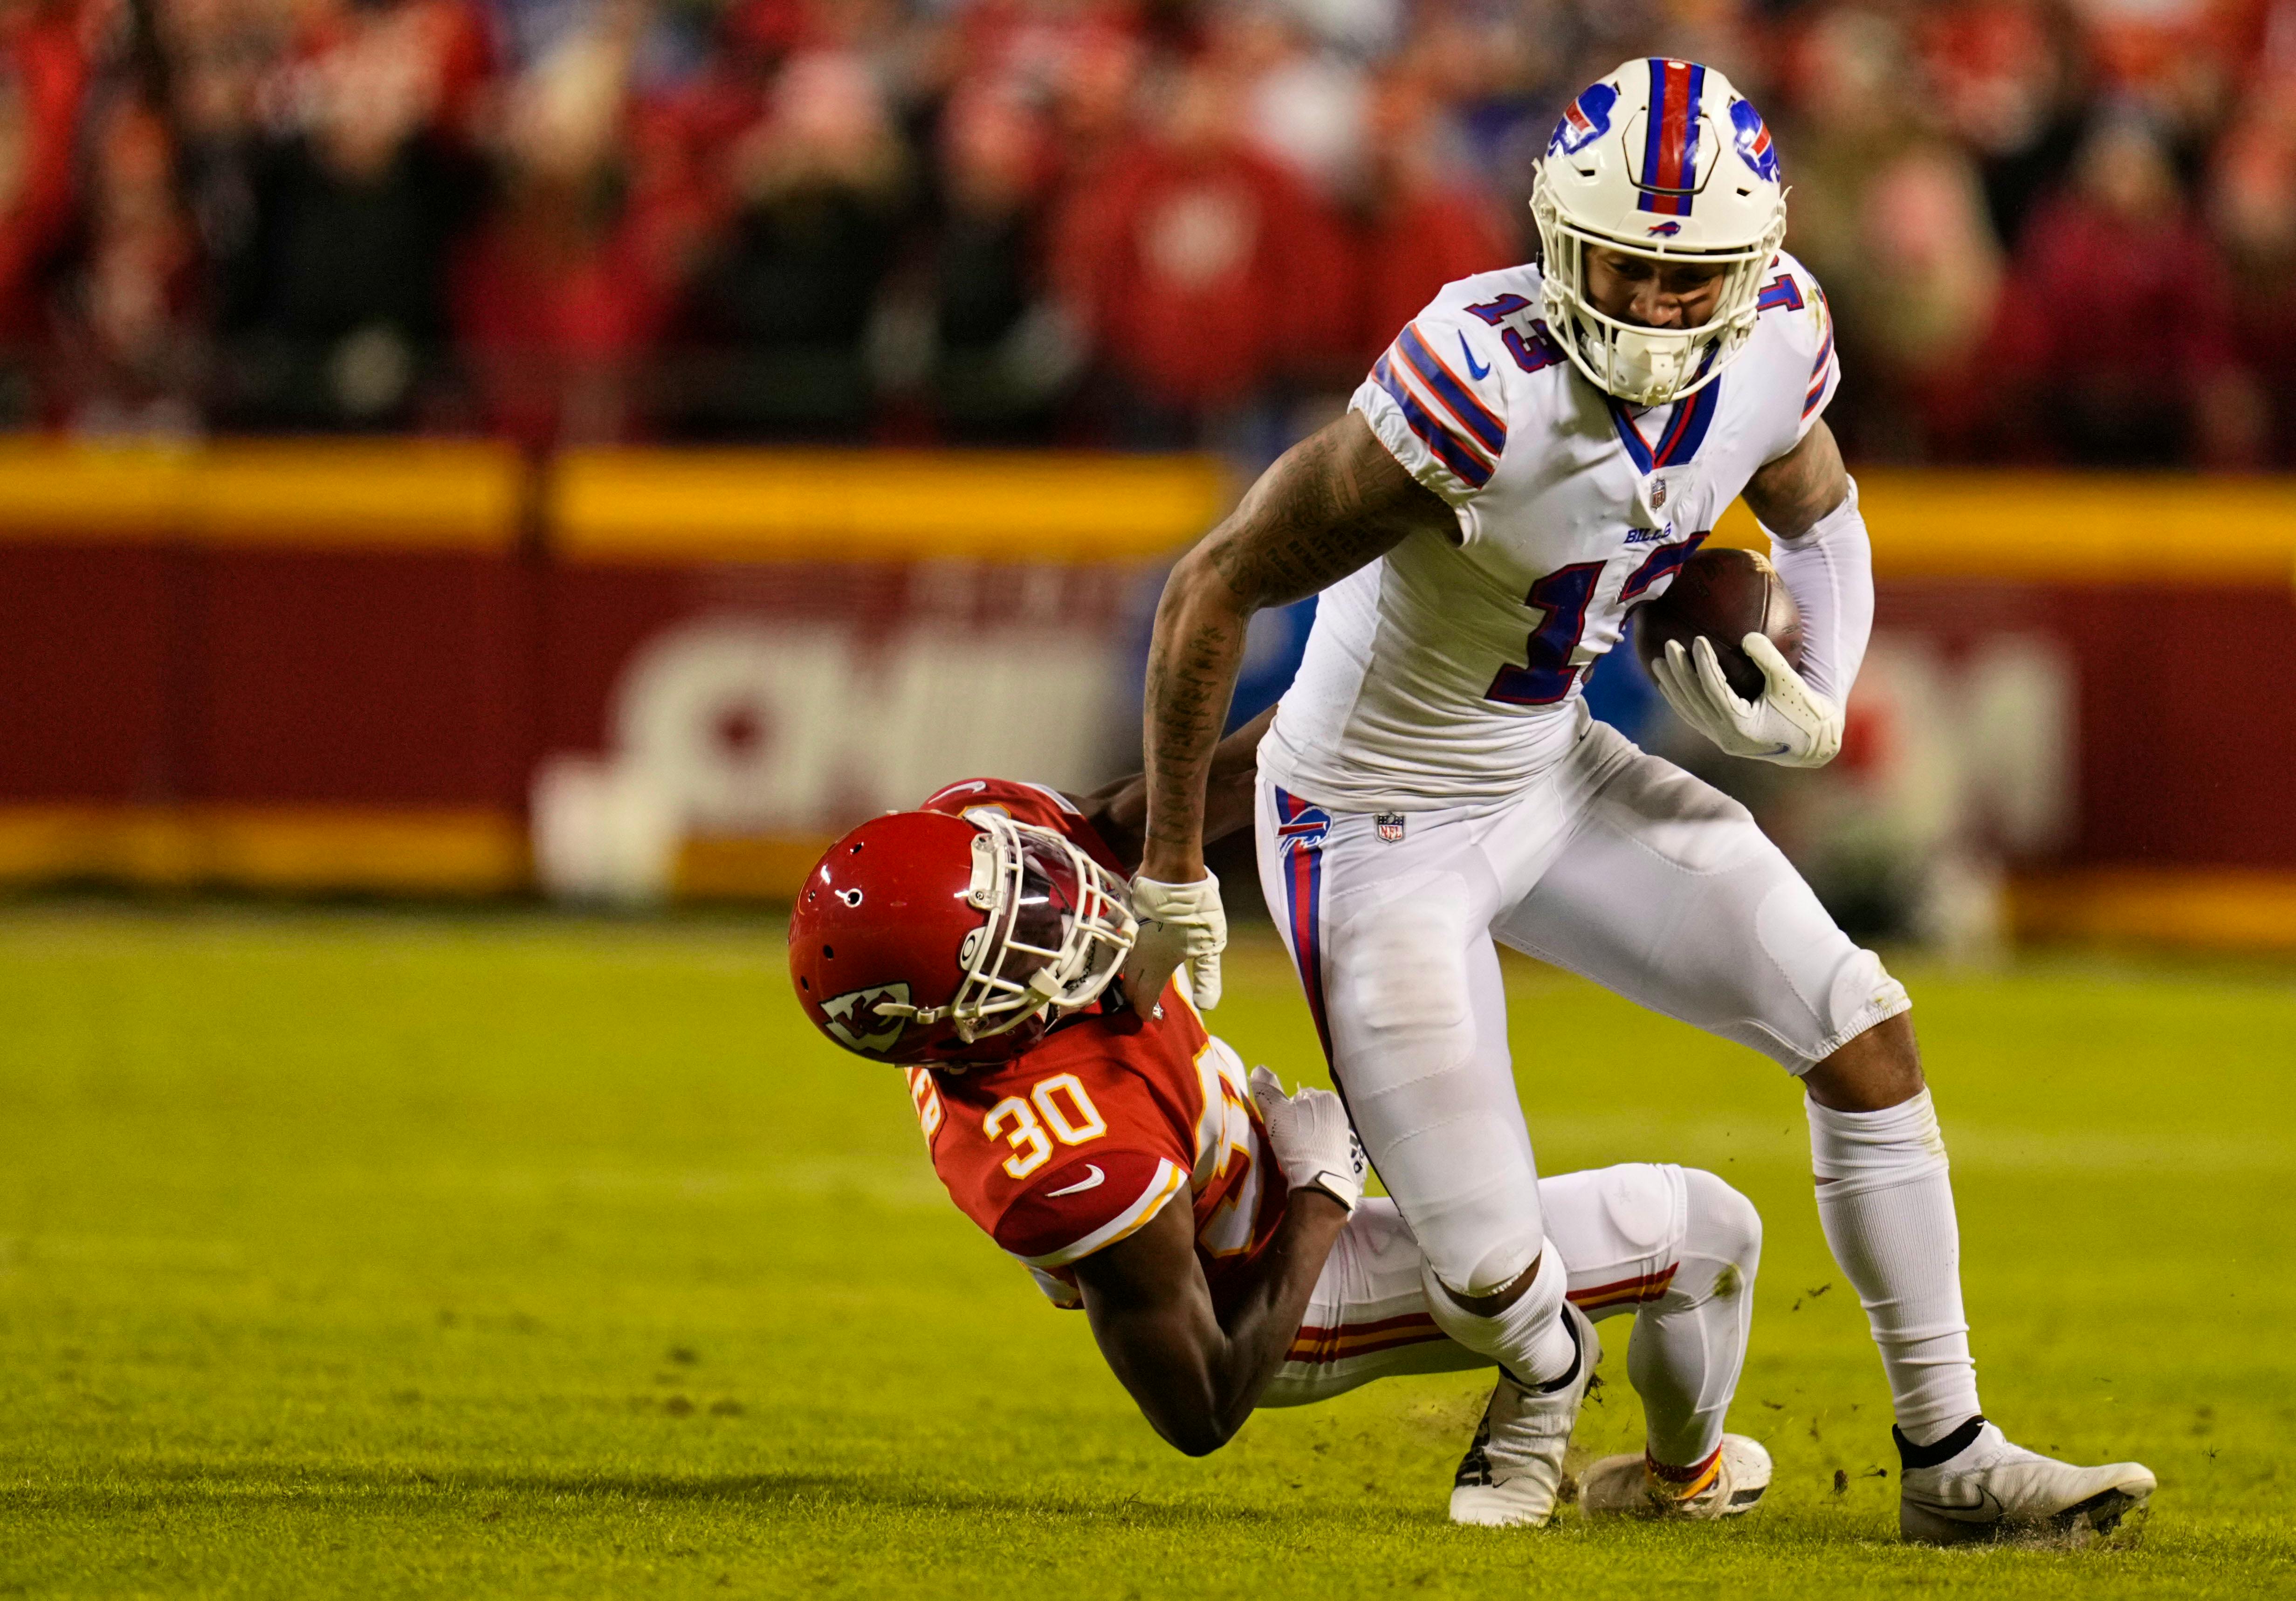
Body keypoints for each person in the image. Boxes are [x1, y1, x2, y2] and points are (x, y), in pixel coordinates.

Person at [1123, 57, 2154, 1541]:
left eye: (1697, 279)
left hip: (1547, 769)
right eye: (1629, 270)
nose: (1664, 310)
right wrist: (1170, 862)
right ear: (1555, 241)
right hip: (1370, 828)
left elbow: (1821, 514)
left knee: (1859, 1026)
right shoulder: (1472, 385)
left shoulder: (1775, 330)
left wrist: (1816, 693)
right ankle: (1544, 1376)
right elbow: (1206, 589)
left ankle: (1948, 1450)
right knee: (1485, 1272)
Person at [786, 744, 1774, 1521]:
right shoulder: (1060, 1148)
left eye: (1029, 887)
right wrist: (1318, 1194)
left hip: (1255, 1164)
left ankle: (1564, 1386)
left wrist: (1333, 717)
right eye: (1022, 945)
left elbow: (1127, 817)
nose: (1064, 911)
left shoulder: (982, 839)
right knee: (1710, 1233)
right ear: (971, 1027)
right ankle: (1679, 1478)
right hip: (1274, 1286)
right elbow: (1203, 1403)